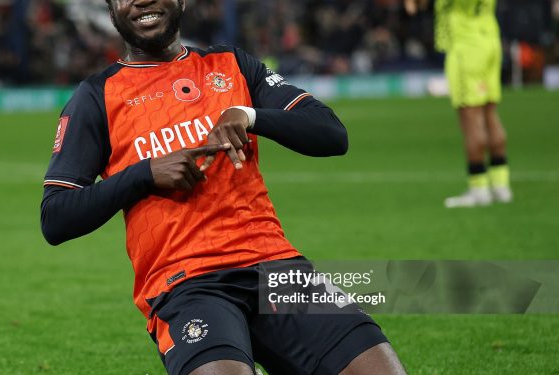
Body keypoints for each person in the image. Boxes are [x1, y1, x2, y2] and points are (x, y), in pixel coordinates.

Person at [40, 0, 407, 374]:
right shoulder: (96, 96)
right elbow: (55, 218)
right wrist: (145, 174)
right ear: (111, 7)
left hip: (275, 268)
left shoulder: (231, 65)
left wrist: (250, 116)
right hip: (187, 284)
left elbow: (331, 134)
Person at [406, 0, 513, 208]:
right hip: (490, 40)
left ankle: (478, 187)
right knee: (490, 114)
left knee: (470, 119)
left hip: (466, 48)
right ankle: (501, 185)